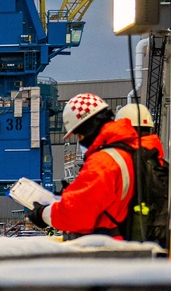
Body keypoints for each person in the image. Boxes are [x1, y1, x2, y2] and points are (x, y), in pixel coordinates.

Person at [27, 93, 140, 238]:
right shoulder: (126, 150)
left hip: (106, 248)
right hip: (120, 242)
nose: (80, 140)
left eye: (79, 135)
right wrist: (72, 194)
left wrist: (42, 214)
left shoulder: (103, 161)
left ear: (88, 127)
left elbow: (76, 214)